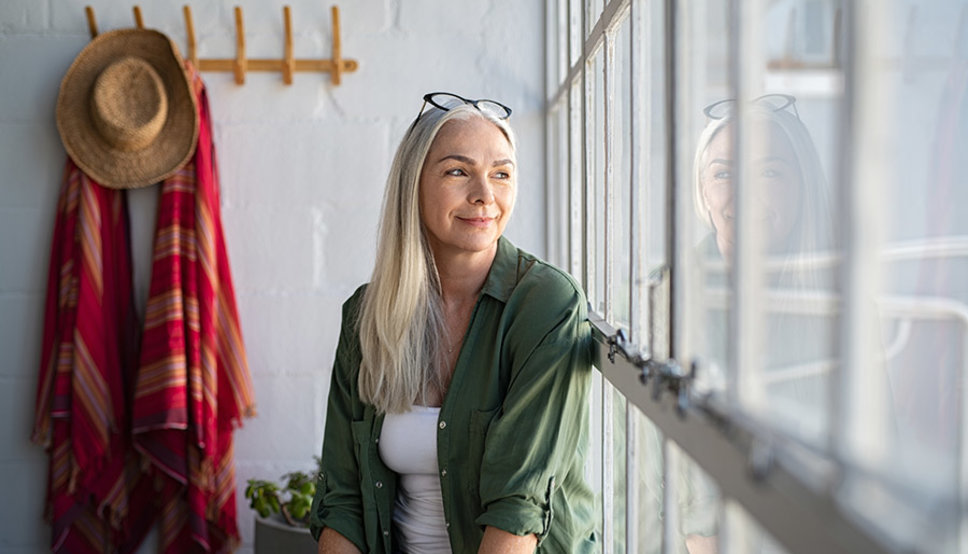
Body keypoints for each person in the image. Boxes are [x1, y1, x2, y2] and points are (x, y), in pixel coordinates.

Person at [309, 92, 598, 554]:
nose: (485, 195)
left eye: (501, 174)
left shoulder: (547, 305)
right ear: (414, 184)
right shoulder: (367, 315)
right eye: (458, 171)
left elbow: (516, 513)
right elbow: (342, 502)